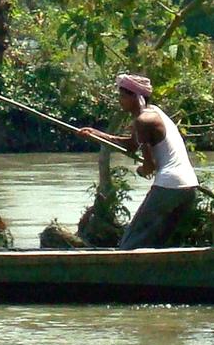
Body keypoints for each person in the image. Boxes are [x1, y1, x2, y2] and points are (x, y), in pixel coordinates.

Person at [76, 74, 199, 249]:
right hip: (189, 186)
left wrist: (142, 170)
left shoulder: (143, 121)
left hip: (169, 185)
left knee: (130, 243)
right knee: (158, 244)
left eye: (123, 96)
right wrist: (96, 134)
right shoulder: (154, 113)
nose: (120, 101)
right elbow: (132, 145)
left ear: (136, 97)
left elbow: (150, 167)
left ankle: (123, 270)